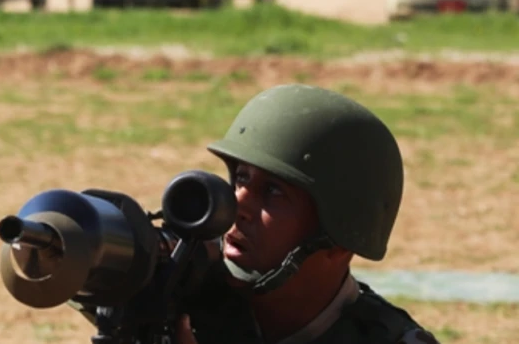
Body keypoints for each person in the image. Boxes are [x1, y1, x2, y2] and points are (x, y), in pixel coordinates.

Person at [177, 84, 438, 344]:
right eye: (241, 177)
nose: (237, 206)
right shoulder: (180, 301)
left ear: (338, 242)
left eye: (273, 191)